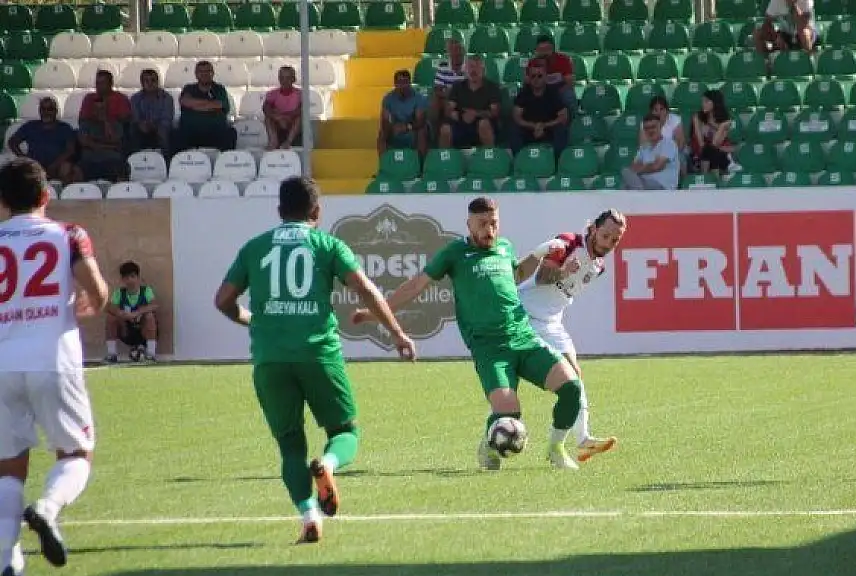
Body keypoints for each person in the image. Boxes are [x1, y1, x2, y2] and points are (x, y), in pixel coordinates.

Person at [213, 176, 415, 545]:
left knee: (290, 445)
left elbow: (223, 300)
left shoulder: (255, 247)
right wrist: (398, 334)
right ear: (317, 212)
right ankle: (329, 465)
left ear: (279, 211)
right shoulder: (328, 245)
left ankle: (309, 515)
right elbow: (365, 289)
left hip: (270, 360)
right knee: (345, 433)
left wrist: (250, 319)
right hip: (319, 354)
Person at [352, 197, 585, 471]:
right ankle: (488, 445)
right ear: (469, 224)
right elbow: (415, 286)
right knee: (508, 415)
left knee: (572, 388)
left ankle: (556, 448)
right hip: (490, 348)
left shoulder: (504, 247)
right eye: (483, 224)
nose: (489, 230)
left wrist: (537, 254)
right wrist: (376, 312)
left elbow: (517, 274)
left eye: (494, 223)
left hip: (523, 336)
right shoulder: (454, 253)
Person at [0, 157, 110, 576]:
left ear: (3, 201)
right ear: (46, 196)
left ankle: (7, 562)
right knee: (76, 455)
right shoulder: (68, 235)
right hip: (52, 359)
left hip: (3, 361)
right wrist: (91, 301)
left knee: (8, 467)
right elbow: (97, 290)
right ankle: (47, 508)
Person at [516, 210, 626, 463]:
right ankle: (500, 431)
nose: (609, 243)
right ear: (593, 229)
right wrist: (564, 270)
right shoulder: (566, 243)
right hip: (524, 315)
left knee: (575, 375)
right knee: (520, 377)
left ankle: (582, 439)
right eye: (606, 235)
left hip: (551, 322)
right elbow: (543, 278)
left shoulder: (599, 267)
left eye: (615, 240)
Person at [8, 97, 79, 185]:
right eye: (43, 109)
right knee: (17, 167)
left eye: (50, 109)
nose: (46, 112)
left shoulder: (65, 128)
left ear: (56, 111)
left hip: (56, 167)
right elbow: (12, 142)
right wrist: (25, 159)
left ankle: (63, 193)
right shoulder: (30, 126)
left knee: (67, 167)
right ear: (39, 110)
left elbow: (70, 150)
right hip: (33, 166)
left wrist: (55, 164)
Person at [174, 60, 237, 153]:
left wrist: (195, 105)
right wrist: (210, 104)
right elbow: (185, 102)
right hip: (191, 133)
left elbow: (220, 105)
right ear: (196, 74)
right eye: (201, 72)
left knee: (231, 133)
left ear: (213, 73)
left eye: (208, 71)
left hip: (215, 133)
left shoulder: (219, 89)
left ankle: (225, 164)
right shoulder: (189, 88)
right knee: (174, 134)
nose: (205, 74)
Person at [103, 261, 159, 364]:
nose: (130, 280)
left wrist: (137, 313)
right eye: (126, 277)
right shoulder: (119, 293)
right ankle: (112, 354)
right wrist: (121, 313)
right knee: (111, 318)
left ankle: (151, 355)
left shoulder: (146, 291)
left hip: (143, 331)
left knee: (149, 316)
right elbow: (109, 307)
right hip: (126, 330)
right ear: (122, 279)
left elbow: (154, 305)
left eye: (132, 276)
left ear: (138, 277)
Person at [511, 58, 568, 157]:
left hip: (548, 129)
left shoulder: (553, 93)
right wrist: (534, 126)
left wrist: (543, 126)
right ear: (529, 78)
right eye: (533, 76)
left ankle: (557, 161)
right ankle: (519, 160)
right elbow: (516, 117)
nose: (536, 79)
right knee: (514, 130)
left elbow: (563, 116)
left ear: (546, 77)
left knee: (561, 129)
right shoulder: (523, 93)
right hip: (529, 129)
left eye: (540, 76)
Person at [441, 56, 501, 149]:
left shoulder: (492, 87)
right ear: (465, 70)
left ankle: (489, 158)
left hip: (483, 123)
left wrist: (476, 114)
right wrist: (459, 115)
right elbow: (448, 110)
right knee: (445, 129)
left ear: (483, 69)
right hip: (461, 123)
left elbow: (495, 112)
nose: (473, 70)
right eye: (470, 67)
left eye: (477, 67)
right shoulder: (457, 87)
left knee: (484, 124)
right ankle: (446, 161)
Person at [377, 69, 428, 159]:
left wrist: (407, 127)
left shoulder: (419, 98)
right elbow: (385, 119)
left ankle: (421, 165)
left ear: (410, 83)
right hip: (395, 129)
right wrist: (392, 127)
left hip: (412, 129)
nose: (403, 85)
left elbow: (420, 120)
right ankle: (384, 164)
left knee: (422, 131)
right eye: (399, 82)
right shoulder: (388, 99)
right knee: (382, 133)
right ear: (395, 84)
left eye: (405, 82)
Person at [621, 114, 681, 190]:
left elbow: (657, 166)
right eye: (647, 128)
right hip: (644, 183)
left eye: (653, 127)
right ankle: (639, 195)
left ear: (660, 127)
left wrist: (641, 168)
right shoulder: (643, 148)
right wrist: (648, 166)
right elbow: (634, 167)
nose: (650, 130)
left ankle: (639, 196)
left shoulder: (669, 143)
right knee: (626, 173)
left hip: (663, 186)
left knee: (627, 176)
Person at [128, 68, 174, 157]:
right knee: (132, 131)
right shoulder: (135, 98)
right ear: (142, 83)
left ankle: (166, 162)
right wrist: (142, 124)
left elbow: (167, 119)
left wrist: (153, 125)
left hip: (160, 127)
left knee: (164, 132)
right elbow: (135, 117)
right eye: (146, 80)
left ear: (158, 82)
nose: (150, 83)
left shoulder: (167, 98)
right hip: (141, 127)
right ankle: (134, 162)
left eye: (153, 80)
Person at [689, 90, 734, 174]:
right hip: (700, 154)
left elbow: (716, 143)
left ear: (715, 103)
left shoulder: (724, 121)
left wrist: (717, 125)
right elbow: (701, 144)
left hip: (717, 154)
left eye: (706, 101)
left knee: (713, 153)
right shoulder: (697, 117)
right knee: (708, 150)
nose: (703, 104)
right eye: (702, 101)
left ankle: (706, 180)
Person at [754, 0, 819, 57]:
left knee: (804, 32)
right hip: (785, 34)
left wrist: (793, 6)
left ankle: (809, 60)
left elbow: (802, 25)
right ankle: (766, 64)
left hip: (807, 34)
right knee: (758, 33)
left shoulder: (806, 1)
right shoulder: (776, 2)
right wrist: (776, 37)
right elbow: (766, 24)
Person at [263, 66, 302, 150]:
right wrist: (277, 117)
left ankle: (288, 142)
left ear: (293, 79)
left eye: (288, 78)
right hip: (278, 123)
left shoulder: (300, 94)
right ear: (279, 79)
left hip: (293, 123)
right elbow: (266, 109)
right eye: (282, 78)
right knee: (268, 119)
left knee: (299, 118)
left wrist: (288, 116)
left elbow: (302, 109)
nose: (284, 81)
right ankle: (273, 141)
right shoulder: (272, 93)